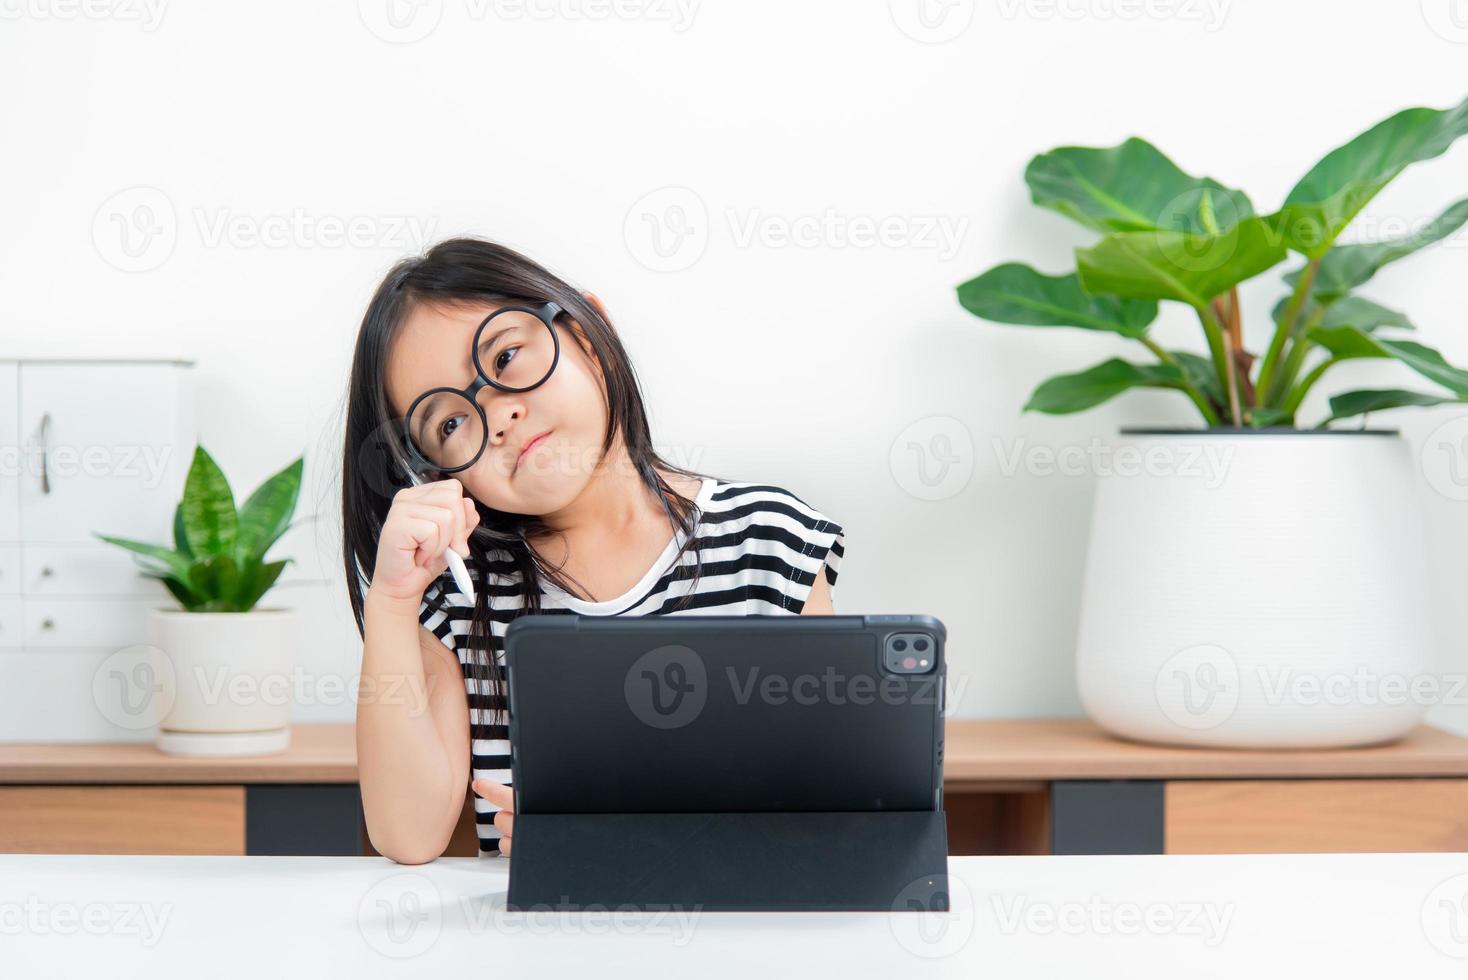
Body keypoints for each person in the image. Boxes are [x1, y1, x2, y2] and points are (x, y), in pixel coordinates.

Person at [340, 237, 845, 863]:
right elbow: (406, 834)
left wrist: (638, 841)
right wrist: (392, 599)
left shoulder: (770, 543)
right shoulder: (465, 595)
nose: (495, 419)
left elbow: (836, 810)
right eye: (448, 424)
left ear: (588, 332)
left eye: (505, 356)